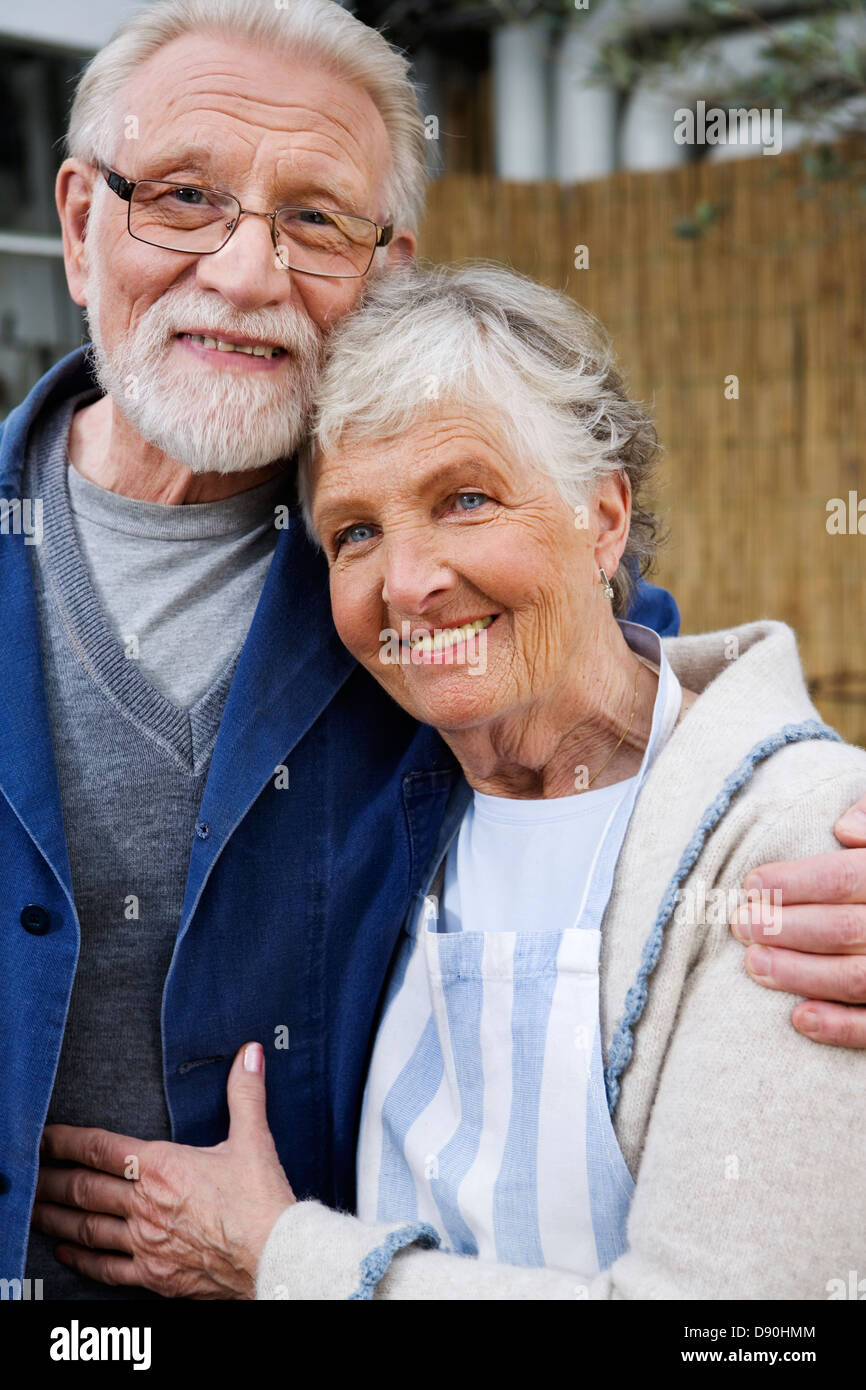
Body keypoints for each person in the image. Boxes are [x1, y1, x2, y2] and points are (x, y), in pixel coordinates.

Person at [13, 0, 866, 1301]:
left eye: (314, 218)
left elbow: (651, 713)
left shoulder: (458, 634)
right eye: (183, 197)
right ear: (80, 225)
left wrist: (822, 830)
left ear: (384, 271)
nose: (244, 272)